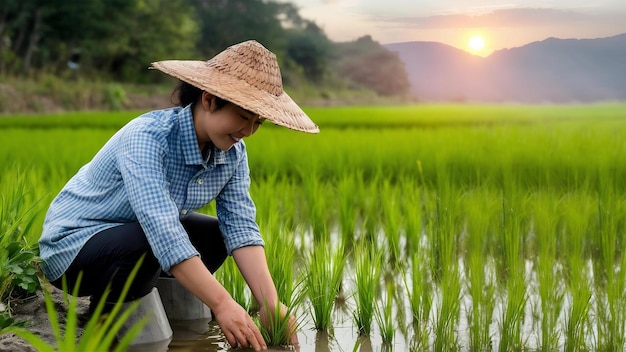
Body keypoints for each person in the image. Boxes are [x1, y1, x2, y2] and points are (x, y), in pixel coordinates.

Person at [38, 40, 319, 351]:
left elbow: (241, 227)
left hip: (136, 240)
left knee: (216, 235)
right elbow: (162, 231)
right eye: (243, 117)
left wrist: (270, 303)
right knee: (148, 241)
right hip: (75, 247)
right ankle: (107, 318)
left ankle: (174, 315)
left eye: (258, 122)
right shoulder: (146, 137)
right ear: (210, 100)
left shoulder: (234, 154)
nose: (248, 131)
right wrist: (223, 303)